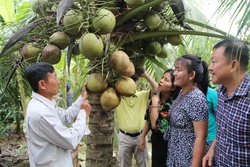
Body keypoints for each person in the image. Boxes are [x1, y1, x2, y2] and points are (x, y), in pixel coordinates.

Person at [24, 62, 91, 167]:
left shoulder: (45, 104)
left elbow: (65, 116)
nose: (58, 82)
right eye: (54, 78)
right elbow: (70, 140)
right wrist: (83, 114)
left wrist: (82, 97)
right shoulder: (41, 112)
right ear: (42, 84)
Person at [202, 38, 250, 167]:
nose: (210, 68)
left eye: (214, 62)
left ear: (234, 65)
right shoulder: (221, 92)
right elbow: (223, 129)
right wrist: (212, 149)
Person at [166, 54, 209, 167]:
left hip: (187, 159)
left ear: (192, 75)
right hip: (176, 155)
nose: (174, 73)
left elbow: (201, 137)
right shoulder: (182, 92)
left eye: (179, 70)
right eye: (175, 68)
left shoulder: (196, 98)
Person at [115, 68, 158, 167]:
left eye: (134, 80)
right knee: (124, 165)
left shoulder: (142, 95)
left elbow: (157, 89)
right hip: (124, 137)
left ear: (137, 82)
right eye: (129, 80)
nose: (131, 83)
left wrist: (145, 75)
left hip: (140, 136)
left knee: (143, 164)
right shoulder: (118, 96)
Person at [139, 69, 181, 167]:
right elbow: (148, 121)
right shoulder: (156, 97)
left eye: (166, 80)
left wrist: (154, 104)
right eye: (162, 77)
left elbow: (155, 125)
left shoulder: (172, 104)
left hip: (166, 144)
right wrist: (142, 136)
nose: (161, 80)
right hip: (156, 141)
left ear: (173, 87)